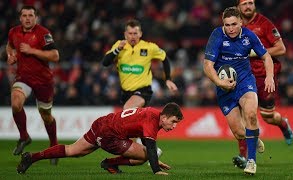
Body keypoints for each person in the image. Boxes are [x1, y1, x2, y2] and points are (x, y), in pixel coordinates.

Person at [16, 102, 184, 175]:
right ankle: (109, 163)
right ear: (165, 117)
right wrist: (155, 168)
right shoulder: (152, 120)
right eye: (174, 121)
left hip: (101, 124)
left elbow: (145, 140)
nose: (174, 126)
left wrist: (152, 158)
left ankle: (32, 157)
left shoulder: (151, 113)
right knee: (144, 156)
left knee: (73, 151)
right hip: (110, 135)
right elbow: (150, 147)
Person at [203, 7, 275, 175]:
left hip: (245, 82)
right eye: (227, 25)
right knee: (238, 132)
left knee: (251, 114)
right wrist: (220, 82)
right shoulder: (217, 35)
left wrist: (269, 76)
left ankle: (251, 162)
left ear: (241, 22)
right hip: (224, 88)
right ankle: (254, 138)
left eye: (234, 24)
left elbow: (266, 56)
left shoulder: (249, 36)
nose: (231, 28)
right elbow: (207, 65)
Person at [101, 19, 178, 157]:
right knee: (138, 126)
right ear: (125, 34)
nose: (132, 36)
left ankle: (135, 150)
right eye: (130, 33)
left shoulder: (149, 47)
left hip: (143, 91)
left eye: (135, 33)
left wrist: (168, 79)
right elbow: (105, 62)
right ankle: (149, 151)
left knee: (127, 113)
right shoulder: (119, 46)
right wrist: (118, 49)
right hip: (125, 92)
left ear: (140, 33)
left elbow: (165, 58)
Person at [6, 5, 59, 165]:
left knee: (46, 116)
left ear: (35, 18)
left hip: (43, 81)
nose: (27, 18)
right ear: (20, 18)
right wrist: (11, 54)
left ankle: (54, 145)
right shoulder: (13, 32)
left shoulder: (43, 33)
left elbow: (55, 55)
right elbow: (10, 45)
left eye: (31, 15)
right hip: (23, 77)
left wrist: (32, 51)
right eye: (24, 15)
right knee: (16, 103)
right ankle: (24, 137)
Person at [237, 0, 293, 144]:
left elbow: (281, 49)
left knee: (267, 116)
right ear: (238, 6)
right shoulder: (235, 24)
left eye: (251, 3)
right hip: (244, 75)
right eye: (244, 3)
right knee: (243, 110)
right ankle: (246, 153)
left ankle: (283, 123)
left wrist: (256, 52)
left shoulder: (264, 24)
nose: (248, 6)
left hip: (263, 75)